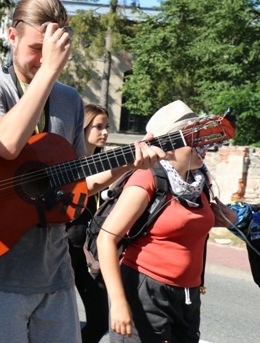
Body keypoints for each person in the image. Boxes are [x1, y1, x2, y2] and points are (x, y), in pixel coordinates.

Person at [0, 0, 165, 343]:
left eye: (51, 51)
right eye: (36, 48)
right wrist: (51, 69)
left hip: (54, 275)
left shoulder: (68, 100)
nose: (43, 60)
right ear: (12, 36)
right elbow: (6, 144)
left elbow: (78, 184)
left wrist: (125, 163)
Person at [97, 100, 238, 343]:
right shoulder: (147, 178)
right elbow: (106, 239)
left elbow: (212, 220)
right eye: (195, 139)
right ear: (170, 146)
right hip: (146, 291)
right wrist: (119, 303)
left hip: (188, 296)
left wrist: (233, 215)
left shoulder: (198, 182)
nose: (203, 145)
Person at [66, 103, 110, 343]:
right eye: (98, 126)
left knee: (100, 321)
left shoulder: (103, 163)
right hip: (64, 251)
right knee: (60, 321)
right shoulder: (68, 162)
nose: (104, 132)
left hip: (90, 253)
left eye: (107, 127)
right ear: (82, 129)